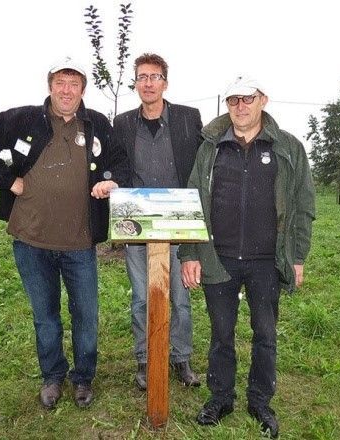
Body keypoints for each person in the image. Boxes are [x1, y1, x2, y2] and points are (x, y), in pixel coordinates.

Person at [0, 57, 128, 410]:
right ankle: (52, 376)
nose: (67, 91)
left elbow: (119, 159)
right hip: (31, 240)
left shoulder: (97, 123)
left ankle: (83, 378)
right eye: (60, 83)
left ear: (83, 88)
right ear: (49, 85)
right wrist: (7, 180)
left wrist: (110, 178)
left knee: (86, 314)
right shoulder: (22, 119)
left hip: (80, 243)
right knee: (45, 315)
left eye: (74, 84)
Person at [178, 75, 315, 438]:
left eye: (247, 99)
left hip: (267, 262)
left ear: (263, 100)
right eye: (233, 100)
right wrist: (191, 253)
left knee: (265, 333)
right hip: (218, 258)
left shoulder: (288, 147)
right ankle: (220, 398)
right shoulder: (210, 147)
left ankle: (260, 401)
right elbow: (193, 201)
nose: (240, 106)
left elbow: (303, 206)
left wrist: (297, 257)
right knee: (221, 334)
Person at [92, 53, 202, 391]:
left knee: (180, 298)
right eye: (142, 77)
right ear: (136, 83)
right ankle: (144, 359)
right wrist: (109, 179)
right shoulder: (123, 123)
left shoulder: (188, 118)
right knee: (141, 297)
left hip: (179, 222)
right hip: (137, 224)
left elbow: (200, 164)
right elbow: (114, 162)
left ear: (165, 83)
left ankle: (180, 357)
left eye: (155, 77)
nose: (148, 83)